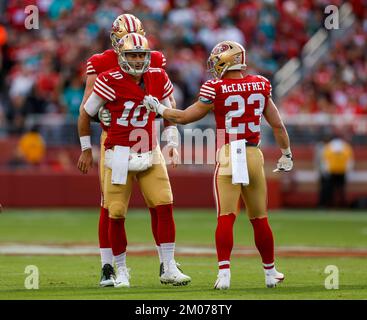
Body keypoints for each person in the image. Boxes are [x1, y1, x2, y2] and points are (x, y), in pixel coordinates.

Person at [142, 40, 294, 289]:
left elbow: (184, 117)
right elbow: (277, 125)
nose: (213, 65)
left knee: (226, 216)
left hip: (228, 153)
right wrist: (286, 153)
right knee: (259, 218)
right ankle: (270, 273)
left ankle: (224, 275)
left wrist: (159, 108)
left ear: (227, 60)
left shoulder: (216, 87)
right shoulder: (261, 84)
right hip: (254, 154)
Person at [77, 33, 191, 288]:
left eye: (141, 55)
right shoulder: (108, 79)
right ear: (122, 56)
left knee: (164, 203)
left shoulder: (158, 75)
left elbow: (169, 110)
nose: (138, 60)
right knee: (116, 213)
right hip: (118, 153)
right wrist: (86, 147)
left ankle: (170, 267)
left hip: (149, 149)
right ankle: (121, 270)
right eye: (133, 55)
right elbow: (86, 113)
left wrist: (172, 142)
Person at [321, 135, 354, 208]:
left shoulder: (328, 147)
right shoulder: (346, 147)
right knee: (341, 190)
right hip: (342, 170)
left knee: (330, 189)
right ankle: (342, 205)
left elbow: (325, 160)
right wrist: (348, 171)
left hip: (332, 170)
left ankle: (330, 204)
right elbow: (350, 161)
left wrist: (325, 171)